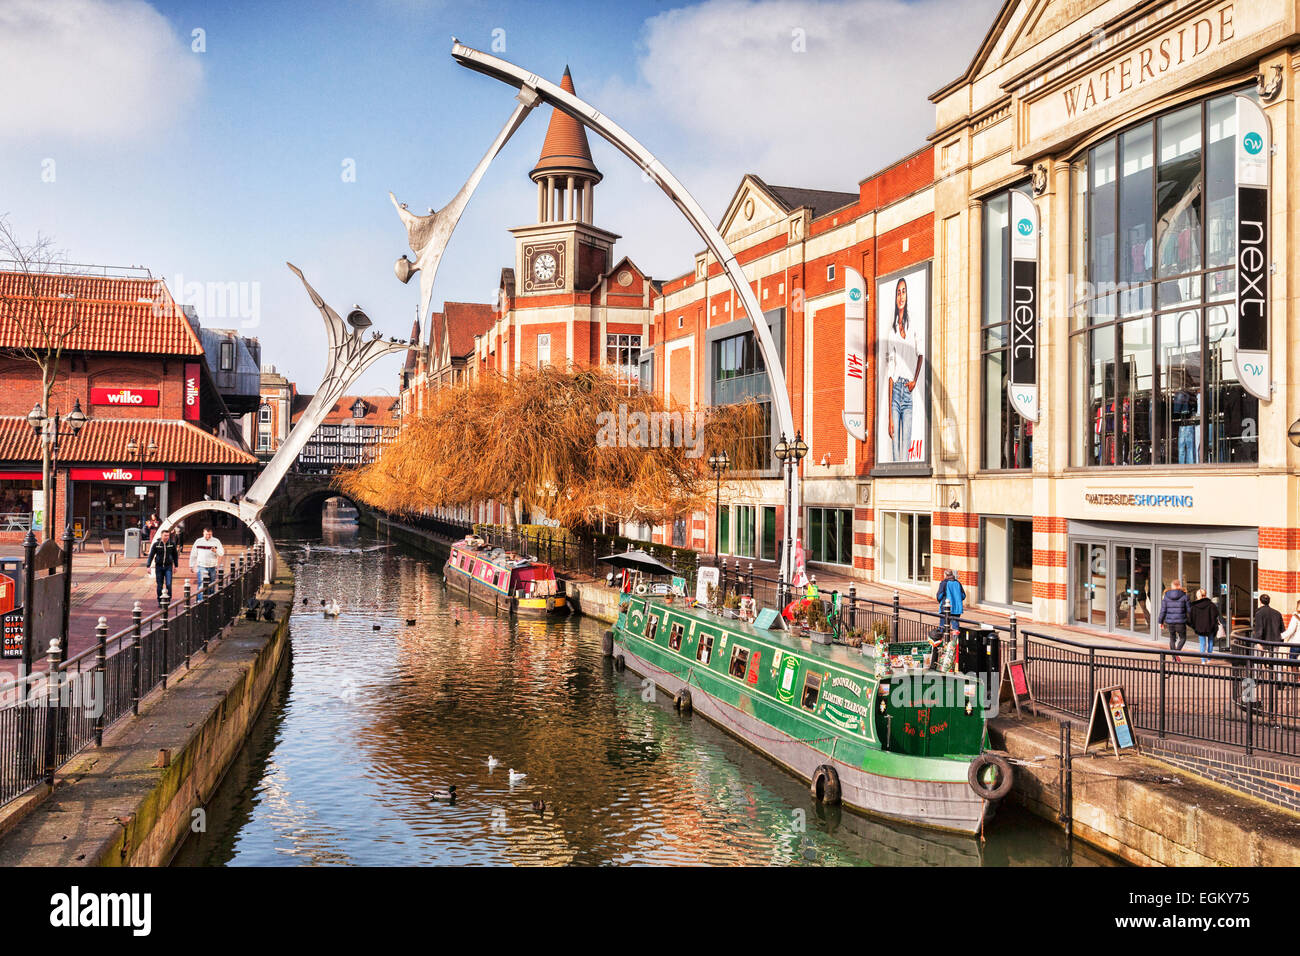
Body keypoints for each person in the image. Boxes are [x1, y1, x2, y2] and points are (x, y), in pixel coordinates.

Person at [884, 277, 924, 463]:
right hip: (896, 390)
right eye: (898, 292)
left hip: (907, 391)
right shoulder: (891, 331)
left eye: (904, 291)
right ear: (895, 297)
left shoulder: (913, 323)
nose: (901, 296)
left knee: (905, 447)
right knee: (895, 447)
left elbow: (920, 353)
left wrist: (915, 380)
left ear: (907, 295)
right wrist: (889, 418)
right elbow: (890, 373)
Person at [145, 528, 180, 605]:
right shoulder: (156, 544)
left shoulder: (172, 544)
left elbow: (175, 555)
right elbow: (151, 555)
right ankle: (160, 600)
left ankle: (168, 599)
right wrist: (148, 566)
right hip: (159, 567)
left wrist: (176, 566)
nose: (166, 537)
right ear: (161, 535)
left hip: (168, 567)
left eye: (168, 535)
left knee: (168, 584)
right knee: (159, 584)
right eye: (165, 535)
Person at [189, 527, 225, 598]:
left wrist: (216, 551)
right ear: (203, 533)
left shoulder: (216, 541)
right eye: (206, 534)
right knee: (201, 584)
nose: (208, 536)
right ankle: (200, 600)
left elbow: (221, 553)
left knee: (212, 585)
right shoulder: (198, 541)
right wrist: (191, 565)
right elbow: (193, 554)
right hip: (201, 566)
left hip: (212, 566)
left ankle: (211, 600)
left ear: (212, 534)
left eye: (209, 534)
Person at [1187, 588, 1221, 663]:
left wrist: (1194, 626)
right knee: (1210, 642)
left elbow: (1191, 618)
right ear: (1205, 595)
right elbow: (1215, 615)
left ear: (1197, 596)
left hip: (1200, 628)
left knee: (1202, 644)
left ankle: (1203, 660)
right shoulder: (1211, 605)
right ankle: (1209, 659)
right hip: (1210, 627)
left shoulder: (1194, 606)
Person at [1157, 578, 1190, 652]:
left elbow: (1163, 610)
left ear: (1172, 586)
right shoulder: (1185, 596)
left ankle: (1174, 656)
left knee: (1172, 638)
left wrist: (1160, 621)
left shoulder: (1166, 596)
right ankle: (1177, 653)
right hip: (1181, 622)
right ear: (1179, 586)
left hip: (1170, 622)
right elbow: (1189, 610)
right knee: (1183, 638)